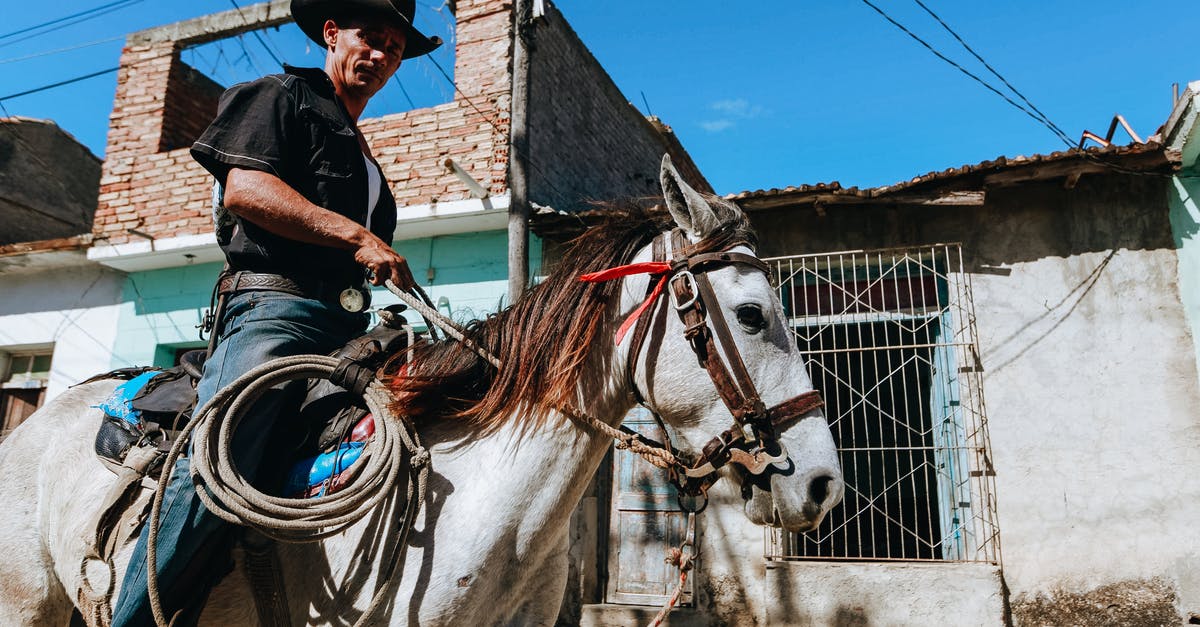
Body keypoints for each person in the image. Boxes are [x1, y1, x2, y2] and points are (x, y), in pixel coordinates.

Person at [111, 1, 441, 624]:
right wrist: (357, 236)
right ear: (332, 32)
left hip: (345, 327)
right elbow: (246, 190)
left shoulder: (364, 155)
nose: (381, 57)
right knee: (219, 460)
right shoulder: (279, 95)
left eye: (395, 49)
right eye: (371, 38)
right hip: (275, 311)